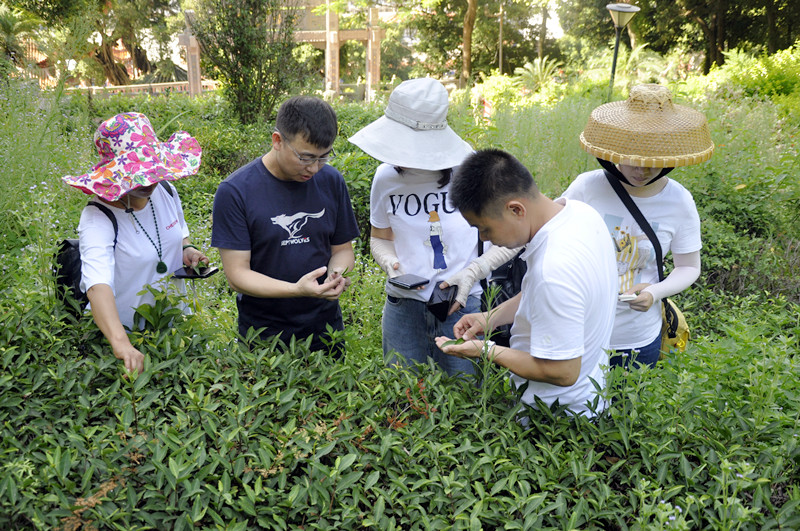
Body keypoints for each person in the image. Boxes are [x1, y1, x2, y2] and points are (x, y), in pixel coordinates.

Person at [348, 78, 518, 377]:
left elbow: (514, 239)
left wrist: (471, 273)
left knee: (463, 392)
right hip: (403, 307)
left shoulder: (472, 172)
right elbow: (380, 237)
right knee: (402, 393)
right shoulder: (385, 177)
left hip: (462, 306)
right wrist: (389, 262)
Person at [435, 149, 617, 418]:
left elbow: (563, 371)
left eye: (484, 228)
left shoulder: (554, 270)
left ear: (516, 209)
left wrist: (486, 350)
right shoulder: (580, 213)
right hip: (590, 398)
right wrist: (490, 317)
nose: (484, 240)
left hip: (556, 419)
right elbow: (550, 296)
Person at [562, 84, 713, 369]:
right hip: (580, 328)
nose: (641, 170)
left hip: (636, 337)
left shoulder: (679, 201)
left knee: (627, 411)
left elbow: (689, 267)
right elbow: (547, 234)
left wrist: (654, 293)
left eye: (652, 162)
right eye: (632, 159)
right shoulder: (587, 186)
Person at [62, 112, 208, 375]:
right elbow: (97, 286)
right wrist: (122, 345)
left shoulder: (165, 190)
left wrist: (186, 249)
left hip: (171, 323)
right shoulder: (98, 218)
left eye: (150, 172)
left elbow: (178, 232)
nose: (147, 182)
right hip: (123, 334)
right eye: (135, 174)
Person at [211, 96, 359, 354]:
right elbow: (237, 275)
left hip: (326, 330)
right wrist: (297, 290)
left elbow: (342, 249)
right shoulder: (235, 191)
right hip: (264, 336)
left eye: (324, 157)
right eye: (305, 157)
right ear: (277, 141)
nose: (314, 168)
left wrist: (337, 274)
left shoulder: (331, 180)